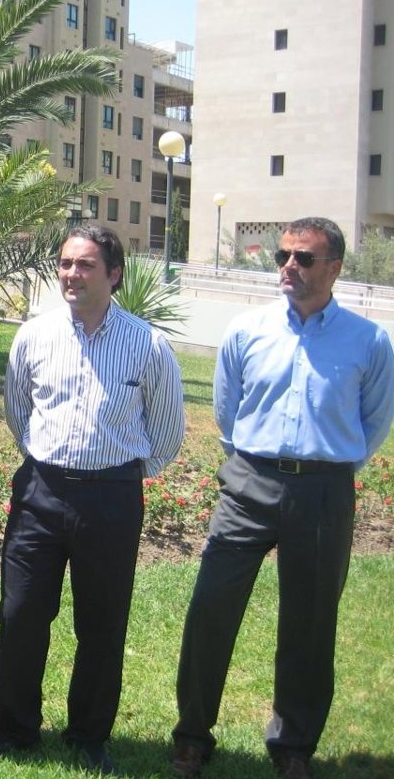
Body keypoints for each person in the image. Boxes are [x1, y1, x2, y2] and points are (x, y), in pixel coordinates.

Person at [171, 217, 394, 779]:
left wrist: (327, 466)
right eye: (283, 256)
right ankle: (192, 735)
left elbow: (373, 421)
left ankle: (294, 746)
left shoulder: (369, 342)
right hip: (249, 482)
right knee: (211, 607)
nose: (289, 266)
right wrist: (252, 462)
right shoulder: (247, 330)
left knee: (310, 623)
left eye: (303, 258)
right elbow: (228, 409)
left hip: (323, 491)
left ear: (334, 268)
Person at [0, 225, 184, 773]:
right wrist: (49, 461)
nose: (71, 273)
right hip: (40, 492)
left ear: (115, 275)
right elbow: (19, 411)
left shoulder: (148, 345)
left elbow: (166, 432)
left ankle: (88, 736)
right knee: (20, 614)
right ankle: (15, 730)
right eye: (66, 263)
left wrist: (119, 475)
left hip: (112, 499)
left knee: (102, 623)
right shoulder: (34, 335)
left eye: (85, 265)